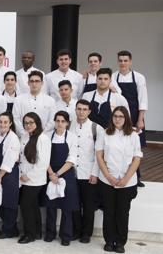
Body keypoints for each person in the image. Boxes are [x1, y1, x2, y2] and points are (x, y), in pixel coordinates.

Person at [96, 107, 143, 253]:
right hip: (107, 180)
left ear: (126, 118)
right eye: (115, 116)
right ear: (112, 118)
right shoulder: (105, 133)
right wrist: (109, 177)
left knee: (122, 213)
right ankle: (109, 241)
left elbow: (137, 158)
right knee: (109, 212)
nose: (118, 119)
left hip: (127, 182)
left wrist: (126, 179)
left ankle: (121, 242)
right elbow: (99, 156)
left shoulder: (133, 135)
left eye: (121, 116)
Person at [113, 50, 148, 188]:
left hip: (134, 115)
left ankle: (136, 176)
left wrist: (141, 119)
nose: (123, 63)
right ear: (118, 61)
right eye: (120, 60)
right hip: (118, 116)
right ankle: (119, 175)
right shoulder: (113, 76)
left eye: (125, 60)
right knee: (119, 146)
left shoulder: (139, 77)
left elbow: (143, 100)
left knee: (135, 147)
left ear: (130, 61)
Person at [44, 111, 79, 246]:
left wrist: (57, 174)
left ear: (67, 123)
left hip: (66, 173)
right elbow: (44, 157)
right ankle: (50, 233)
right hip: (50, 172)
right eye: (57, 120)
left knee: (67, 206)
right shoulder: (47, 136)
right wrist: (51, 174)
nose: (60, 123)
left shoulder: (72, 137)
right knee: (50, 205)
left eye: (63, 121)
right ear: (54, 121)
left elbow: (71, 159)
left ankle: (66, 235)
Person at [70, 99, 102, 243]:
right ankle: (76, 231)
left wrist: (95, 173)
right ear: (75, 109)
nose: (81, 111)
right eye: (79, 109)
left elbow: (99, 154)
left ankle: (86, 233)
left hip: (89, 173)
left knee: (88, 206)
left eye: (84, 109)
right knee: (74, 204)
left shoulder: (96, 128)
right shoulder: (69, 126)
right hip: (72, 173)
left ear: (89, 111)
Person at [18, 112, 51, 244]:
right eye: (26, 123)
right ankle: (36, 232)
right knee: (32, 205)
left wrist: (28, 176)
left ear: (37, 122)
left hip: (34, 179)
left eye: (31, 122)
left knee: (26, 205)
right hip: (23, 177)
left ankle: (29, 234)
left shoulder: (43, 139)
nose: (28, 125)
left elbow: (43, 163)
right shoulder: (25, 136)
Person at [0, 112, 21, 240]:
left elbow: (10, 159)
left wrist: (0, 175)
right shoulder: (0, 135)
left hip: (9, 174)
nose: (3, 124)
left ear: (10, 123)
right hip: (0, 171)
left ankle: (7, 230)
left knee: (9, 203)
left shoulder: (12, 138)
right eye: (1, 122)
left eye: (5, 122)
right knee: (1, 202)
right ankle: (12, 229)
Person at [13, 70, 56, 136]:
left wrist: (42, 133)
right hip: (24, 137)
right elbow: (16, 119)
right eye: (32, 81)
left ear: (42, 83)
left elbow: (52, 119)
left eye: (37, 81)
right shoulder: (19, 99)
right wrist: (25, 134)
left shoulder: (50, 100)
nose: (34, 84)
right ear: (28, 83)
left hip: (44, 137)